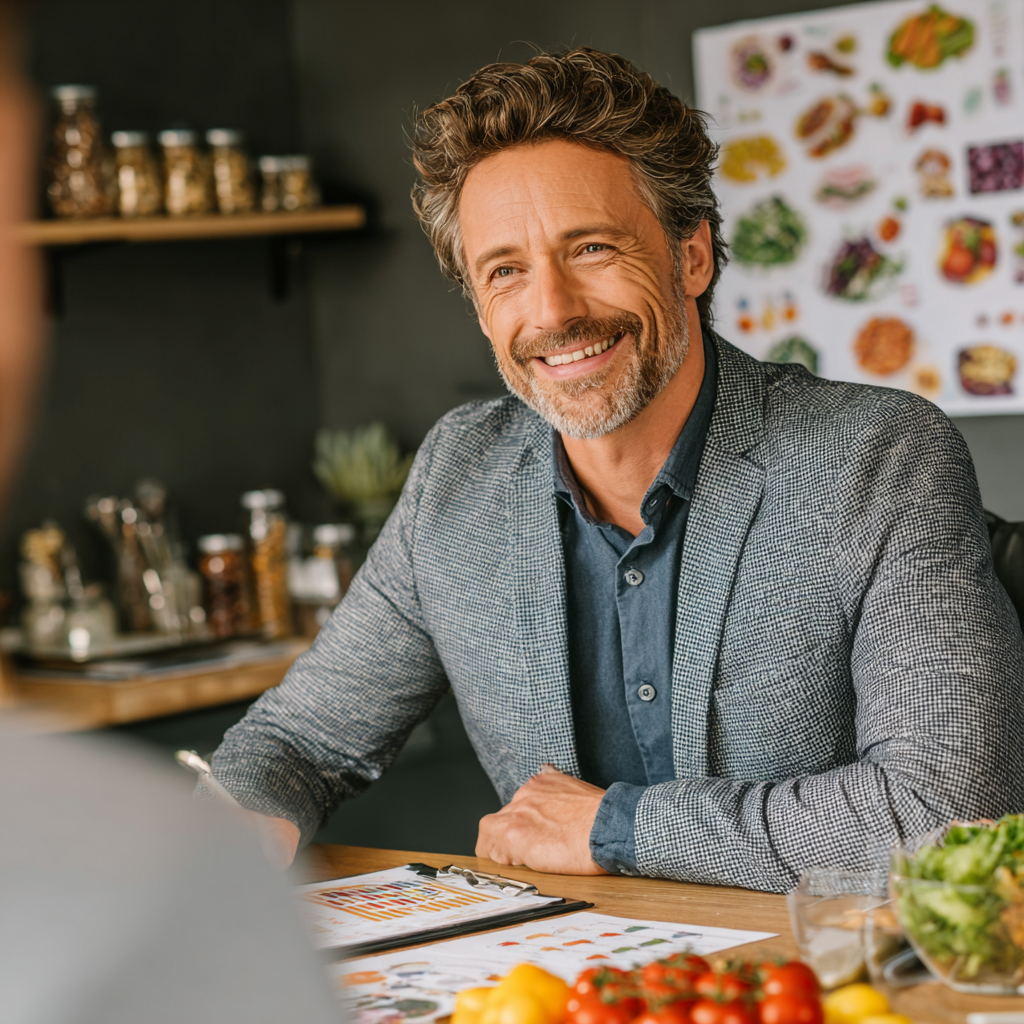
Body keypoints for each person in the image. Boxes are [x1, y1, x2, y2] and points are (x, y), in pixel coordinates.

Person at [211, 48, 1024, 893]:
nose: (553, 311)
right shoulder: (460, 475)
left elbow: (946, 813)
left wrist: (614, 826)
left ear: (692, 257)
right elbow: (301, 742)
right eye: (506, 272)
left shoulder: (880, 456)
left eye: (592, 248)